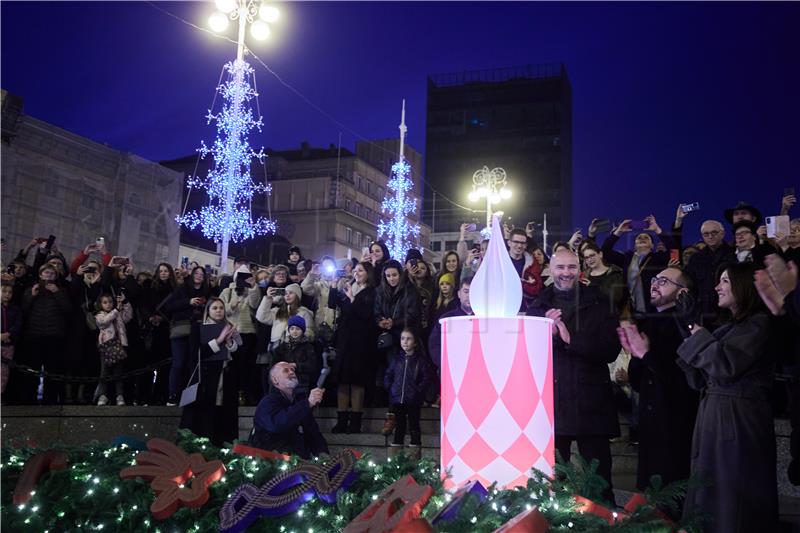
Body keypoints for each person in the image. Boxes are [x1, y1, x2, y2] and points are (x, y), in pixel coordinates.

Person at [675, 262, 777, 532]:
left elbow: (725, 364)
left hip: (738, 418)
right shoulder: (729, 326)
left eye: (725, 281)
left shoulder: (759, 323)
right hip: (716, 413)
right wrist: (689, 329)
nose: (717, 287)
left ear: (743, 286)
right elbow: (700, 377)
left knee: (732, 495)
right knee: (710, 489)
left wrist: (695, 331)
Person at [526, 250, 621, 501]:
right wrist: (544, 333)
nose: (566, 273)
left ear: (580, 269)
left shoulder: (601, 301)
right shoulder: (537, 306)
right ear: (550, 270)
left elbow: (611, 350)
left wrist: (571, 339)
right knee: (556, 484)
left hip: (592, 400)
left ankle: (604, 525)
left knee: (600, 482)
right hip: (552, 402)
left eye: (571, 267)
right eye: (560, 268)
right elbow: (527, 355)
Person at [616, 267, 699, 491]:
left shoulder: (687, 324)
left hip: (675, 420)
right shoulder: (650, 322)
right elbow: (638, 382)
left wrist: (646, 355)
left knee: (671, 489)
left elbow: (683, 378)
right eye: (654, 280)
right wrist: (635, 356)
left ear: (683, 292)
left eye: (664, 281)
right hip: (650, 418)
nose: (655, 284)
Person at [179, 298, 242, 446]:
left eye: (221, 308)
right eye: (215, 308)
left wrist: (230, 342)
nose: (219, 310)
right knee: (203, 416)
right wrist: (219, 340)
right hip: (205, 379)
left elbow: (239, 354)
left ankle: (222, 445)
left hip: (225, 377)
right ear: (208, 311)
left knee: (224, 414)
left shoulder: (229, 326)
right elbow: (196, 354)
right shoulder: (199, 327)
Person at [327, 261, 378, 434]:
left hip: (361, 341)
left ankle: (355, 422)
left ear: (368, 273)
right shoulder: (349, 288)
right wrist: (334, 287)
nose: (356, 273)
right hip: (344, 339)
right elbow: (333, 305)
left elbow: (364, 314)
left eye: (361, 270)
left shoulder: (371, 292)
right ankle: (341, 420)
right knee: (342, 380)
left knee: (356, 381)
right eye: (355, 270)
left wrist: (352, 298)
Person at [249, 361, 328, 459]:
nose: (291, 372)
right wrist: (307, 403)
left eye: (292, 370)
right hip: (271, 464)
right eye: (286, 370)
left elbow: (313, 432)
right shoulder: (268, 402)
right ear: (275, 380)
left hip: (299, 463)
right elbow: (276, 424)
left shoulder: (298, 402)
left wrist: (322, 453)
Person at [18, 264, 72, 404]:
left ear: (56, 276)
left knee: (52, 372)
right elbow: (23, 310)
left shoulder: (62, 290)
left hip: (54, 337)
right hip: (34, 336)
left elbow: (68, 310)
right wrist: (31, 296)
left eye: (52, 273)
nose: (49, 275)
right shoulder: (32, 289)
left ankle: (50, 401)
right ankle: (29, 400)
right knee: (32, 371)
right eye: (46, 272)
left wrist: (57, 293)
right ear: (40, 275)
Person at [600, 215, 675, 316]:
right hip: (630, 311)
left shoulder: (658, 258)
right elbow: (604, 252)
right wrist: (619, 232)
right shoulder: (627, 258)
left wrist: (657, 230)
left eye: (646, 238)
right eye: (639, 237)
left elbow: (675, 250)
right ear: (635, 245)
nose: (642, 238)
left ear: (652, 245)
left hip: (653, 310)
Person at [162, 266, 212, 406]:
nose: (199, 276)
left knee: (193, 364)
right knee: (178, 363)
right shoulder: (182, 289)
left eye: (202, 274)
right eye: (196, 273)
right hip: (181, 328)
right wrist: (188, 302)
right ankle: (172, 395)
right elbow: (169, 306)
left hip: (199, 331)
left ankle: (190, 396)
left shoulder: (207, 291)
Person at [255, 283, 315, 393]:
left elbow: (310, 332)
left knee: (291, 379)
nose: (287, 295)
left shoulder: (304, 312)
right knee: (275, 377)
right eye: (285, 293)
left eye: (291, 293)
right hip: (276, 347)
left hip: (296, 348)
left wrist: (295, 335)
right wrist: (268, 298)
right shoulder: (278, 311)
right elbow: (261, 316)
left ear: (297, 296)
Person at [384, 328, 434, 459]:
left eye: (408, 338)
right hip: (398, 399)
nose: (405, 342)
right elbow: (389, 374)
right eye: (402, 338)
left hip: (413, 399)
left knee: (414, 426)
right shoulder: (397, 359)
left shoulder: (420, 360)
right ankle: (396, 459)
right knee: (399, 426)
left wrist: (418, 391)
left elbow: (427, 377)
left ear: (415, 342)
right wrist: (391, 388)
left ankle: (414, 458)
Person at [219, 264, 260, 405]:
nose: (242, 280)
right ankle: (231, 392)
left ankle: (244, 393)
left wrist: (253, 286)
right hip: (231, 333)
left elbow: (255, 305)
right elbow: (219, 309)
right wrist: (231, 305)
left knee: (246, 365)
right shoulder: (227, 291)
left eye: (245, 276)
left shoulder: (252, 290)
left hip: (248, 332)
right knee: (232, 365)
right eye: (240, 277)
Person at [684, 220, 736, 324]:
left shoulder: (734, 254)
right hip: (704, 313)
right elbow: (690, 284)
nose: (710, 236)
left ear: (722, 233)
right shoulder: (696, 258)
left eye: (714, 233)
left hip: (729, 311)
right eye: (706, 234)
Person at [94, 292, 133, 406]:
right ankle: (102, 395)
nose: (108, 305)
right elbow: (103, 323)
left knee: (118, 372)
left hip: (119, 345)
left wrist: (125, 303)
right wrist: (116, 310)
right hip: (107, 346)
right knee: (104, 372)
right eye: (105, 302)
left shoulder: (117, 313)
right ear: (100, 304)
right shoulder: (100, 315)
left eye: (110, 302)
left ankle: (119, 395)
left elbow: (128, 317)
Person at [272, 315, 320, 400]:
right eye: (292, 328)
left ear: (303, 330)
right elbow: (274, 365)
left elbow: (312, 366)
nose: (294, 331)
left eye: (298, 329)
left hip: (302, 383)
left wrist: (297, 365)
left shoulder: (308, 347)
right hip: (285, 383)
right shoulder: (281, 348)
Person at [581, 242, 626, 315]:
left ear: (600, 254)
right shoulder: (585, 275)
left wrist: (593, 287)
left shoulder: (615, 273)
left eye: (592, 255)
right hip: (589, 318)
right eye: (586, 258)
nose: (589, 259)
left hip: (609, 317)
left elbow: (616, 298)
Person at [1, 281, 22, 397]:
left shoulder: (15, 309)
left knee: (4, 372)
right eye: (4, 291)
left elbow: (17, 324)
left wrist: (8, 334)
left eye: (9, 292)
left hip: (8, 344)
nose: (7, 294)